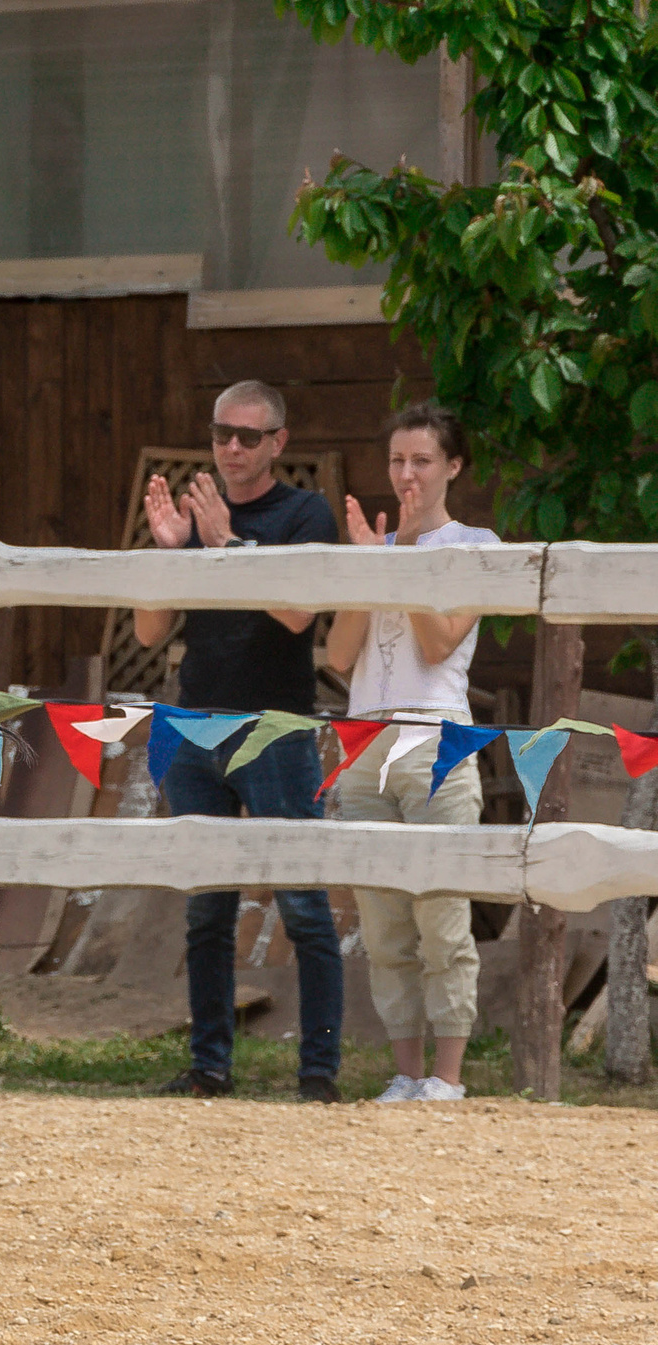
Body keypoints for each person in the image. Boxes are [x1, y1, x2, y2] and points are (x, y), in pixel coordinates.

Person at [131, 379, 345, 1102]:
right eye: (221, 432)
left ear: (278, 443)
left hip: (275, 729)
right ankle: (209, 1068)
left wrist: (226, 547)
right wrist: (170, 553)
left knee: (305, 906)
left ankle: (317, 1073)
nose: (230, 446)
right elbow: (148, 630)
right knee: (205, 908)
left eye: (247, 436)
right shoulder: (193, 516)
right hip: (194, 725)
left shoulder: (304, 513)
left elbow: (297, 615)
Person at [325, 401, 495, 1104]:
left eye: (421, 460)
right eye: (397, 460)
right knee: (383, 916)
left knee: (441, 913)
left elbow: (438, 643)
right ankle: (404, 1068)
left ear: (453, 466)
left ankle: (447, 1077)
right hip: (364, 737)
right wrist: (373, 568)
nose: (406, 474)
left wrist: (399, 564)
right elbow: (338, 654)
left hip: (438, 740)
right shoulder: (377, 545)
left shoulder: (475, 542)